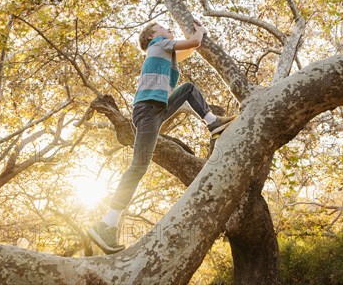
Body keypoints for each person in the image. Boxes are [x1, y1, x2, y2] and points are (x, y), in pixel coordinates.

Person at [87, 20, 235, 254]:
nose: (169, 30)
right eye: (165, 28)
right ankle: (106, 224)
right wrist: (200, 31)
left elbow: (189, 49)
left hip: (157, 108)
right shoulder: (159, 43)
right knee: (138, 166)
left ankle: (213, 122)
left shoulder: (164, 51)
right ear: (152, 36)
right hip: (148, 111)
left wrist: (196, 39)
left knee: (188, 89)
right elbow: (194, 41)